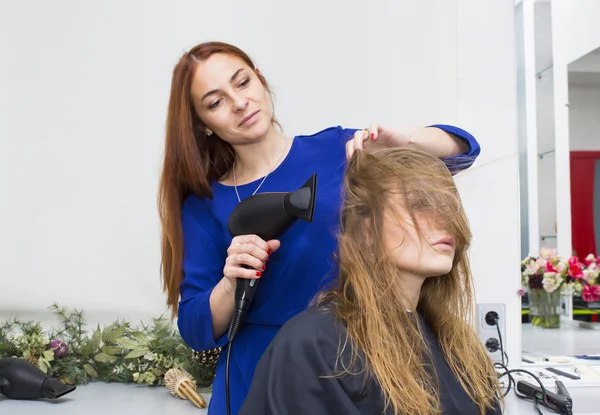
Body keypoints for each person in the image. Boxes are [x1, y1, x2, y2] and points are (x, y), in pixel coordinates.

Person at [158, 41, 482, 415]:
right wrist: (231, 283)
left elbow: (463, 150)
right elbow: (196, 329)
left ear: (261, 81)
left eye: (242, 83)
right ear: (204, 125)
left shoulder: (338, 150)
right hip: (254, 381)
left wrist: (406, 141)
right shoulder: (205, 206)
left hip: (357, 362)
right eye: (215, 102)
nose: (239, 103)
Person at [239, 146, 502, 415]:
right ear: (366, 231)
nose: (444, 219)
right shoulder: (314, 344)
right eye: (420, 203)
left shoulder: (459, 346)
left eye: (448, 206)